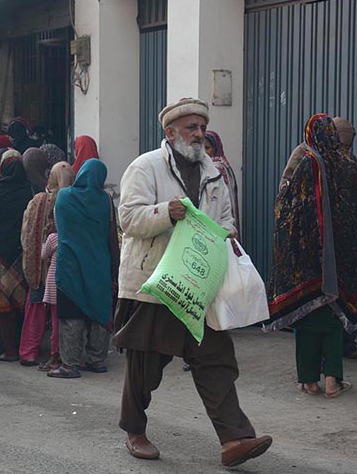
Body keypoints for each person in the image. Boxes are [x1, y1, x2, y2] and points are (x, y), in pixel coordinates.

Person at [114, 97, 272, 467]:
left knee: (215, 358)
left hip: (199, 285)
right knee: (145, 365)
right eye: (191, 128)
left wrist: (228, 236)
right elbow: (128, 219)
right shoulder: (146, 167)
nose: (199, 135)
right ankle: (134, 430)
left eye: (202, 128)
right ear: (170, 133)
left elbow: (228, 220)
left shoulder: (214, 173)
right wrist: (165, 213)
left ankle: (234, 439)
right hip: (153, 284)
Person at [265, 113, 357, 399]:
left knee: (306, 321)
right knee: (333, 320)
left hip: (307, 255)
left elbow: (289, 205)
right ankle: (333, 381)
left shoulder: (308, 162)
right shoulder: (347, 164)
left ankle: (309, 381)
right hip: (339, 257)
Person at [48, 159, 119, 379]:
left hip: (70, 262)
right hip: (98, 263)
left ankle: (69, 364)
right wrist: (114, 270)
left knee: (71, 313)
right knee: (99, 310)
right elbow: (111, 237)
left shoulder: (64, 196)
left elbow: (59, 226)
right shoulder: (105, 200)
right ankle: (96, 360)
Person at [0, 150, 36, 362]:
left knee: (3, 305)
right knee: (23, 302)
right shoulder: (30, 190)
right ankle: (25, 345)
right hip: (22, 255)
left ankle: (8, 347)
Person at [20, 161, 75, 369]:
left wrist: (33, 261)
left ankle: (28, 352)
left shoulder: (39, 200)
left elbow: (28, 233)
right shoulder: (75, 199)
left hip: (41, 266)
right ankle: (60, 354)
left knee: (35, 308)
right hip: (64, 269)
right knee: (61, 315)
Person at [332, 117, 357, 359]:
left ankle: (339, 344)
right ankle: (343, 343)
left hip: (341, 240)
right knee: (345, 292)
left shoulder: (328, 161)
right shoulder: (346, 163)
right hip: (345, 241)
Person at [204, 130, 241, 237]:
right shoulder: (223, 164)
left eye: (207, 148)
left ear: (215, 149)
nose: (204, 152)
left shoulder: (216, 168)